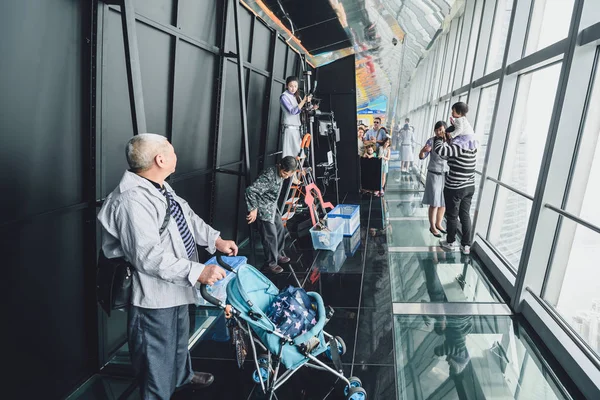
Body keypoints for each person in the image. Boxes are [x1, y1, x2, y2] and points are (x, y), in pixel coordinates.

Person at [97, 133, 239, 399]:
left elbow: (186, 215)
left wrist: (215, 240)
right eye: (171, 151)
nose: (176, 156)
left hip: (175, 283)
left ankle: (182, 376)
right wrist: (198, 272)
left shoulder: (159, 186)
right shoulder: (131, 201)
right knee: (155, 356)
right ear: (160, 159)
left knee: (177, 340)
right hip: (152, 295)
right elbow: (147, 257)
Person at [433, 102, 478, 255]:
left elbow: (441, 151)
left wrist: (438, 138)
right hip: (470, 186)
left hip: (455, 187)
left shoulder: (458, 146)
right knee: (464, 215)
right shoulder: (472, 145)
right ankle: (466, 246)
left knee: (452, 215)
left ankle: (450, 242)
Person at [246, 156, 297, 274]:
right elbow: (251, 190)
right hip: (263, 208)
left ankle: (278, 254)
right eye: (285, 173)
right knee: (270, 236)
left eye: (289, 174)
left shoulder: (285, 172)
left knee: (280, 230)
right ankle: (270, 264)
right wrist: (253, 209)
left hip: (272, 207)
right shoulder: (268, 176)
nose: (286, 176)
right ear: (280, 166)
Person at [419, 121, 448, 238]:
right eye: (437, 130)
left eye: (441, 129)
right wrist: (423, 151)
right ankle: (432, 226)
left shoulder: (449, 142)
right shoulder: (431, 141)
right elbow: (421, 157)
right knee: (435, 202)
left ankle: (438, 223)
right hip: (434, 175)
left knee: (443, 203)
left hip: (446, 175)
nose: (438, 132)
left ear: (445, 129)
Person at [280, 76, 316, 158]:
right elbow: (293, 111)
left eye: (295, 86)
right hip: (289, 129)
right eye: (291, 86)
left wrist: (311, 106)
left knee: (299, 154)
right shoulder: (284, 97)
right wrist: (304, 100)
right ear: (286, 86)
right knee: (289, 155)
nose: (293, 88)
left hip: (297, 129)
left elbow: (302, 109)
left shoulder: (297, 97)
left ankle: (298, 170)